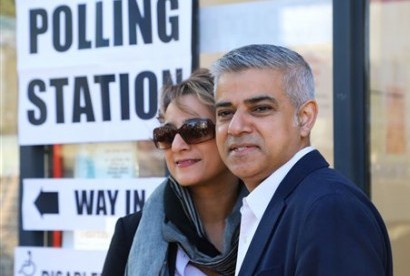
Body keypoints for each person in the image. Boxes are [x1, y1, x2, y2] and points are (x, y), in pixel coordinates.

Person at [211, 44, 393, 276]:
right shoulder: (272, 204)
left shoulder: (329, 208)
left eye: (260, 109)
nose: (236, 127)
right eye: (225, 113)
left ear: (305, 118)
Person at [101, 68, 247, 276]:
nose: (178, 145)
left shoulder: (272, 220)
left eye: (195, 129)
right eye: (167, 134)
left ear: (228, 131)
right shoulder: (131, 231)